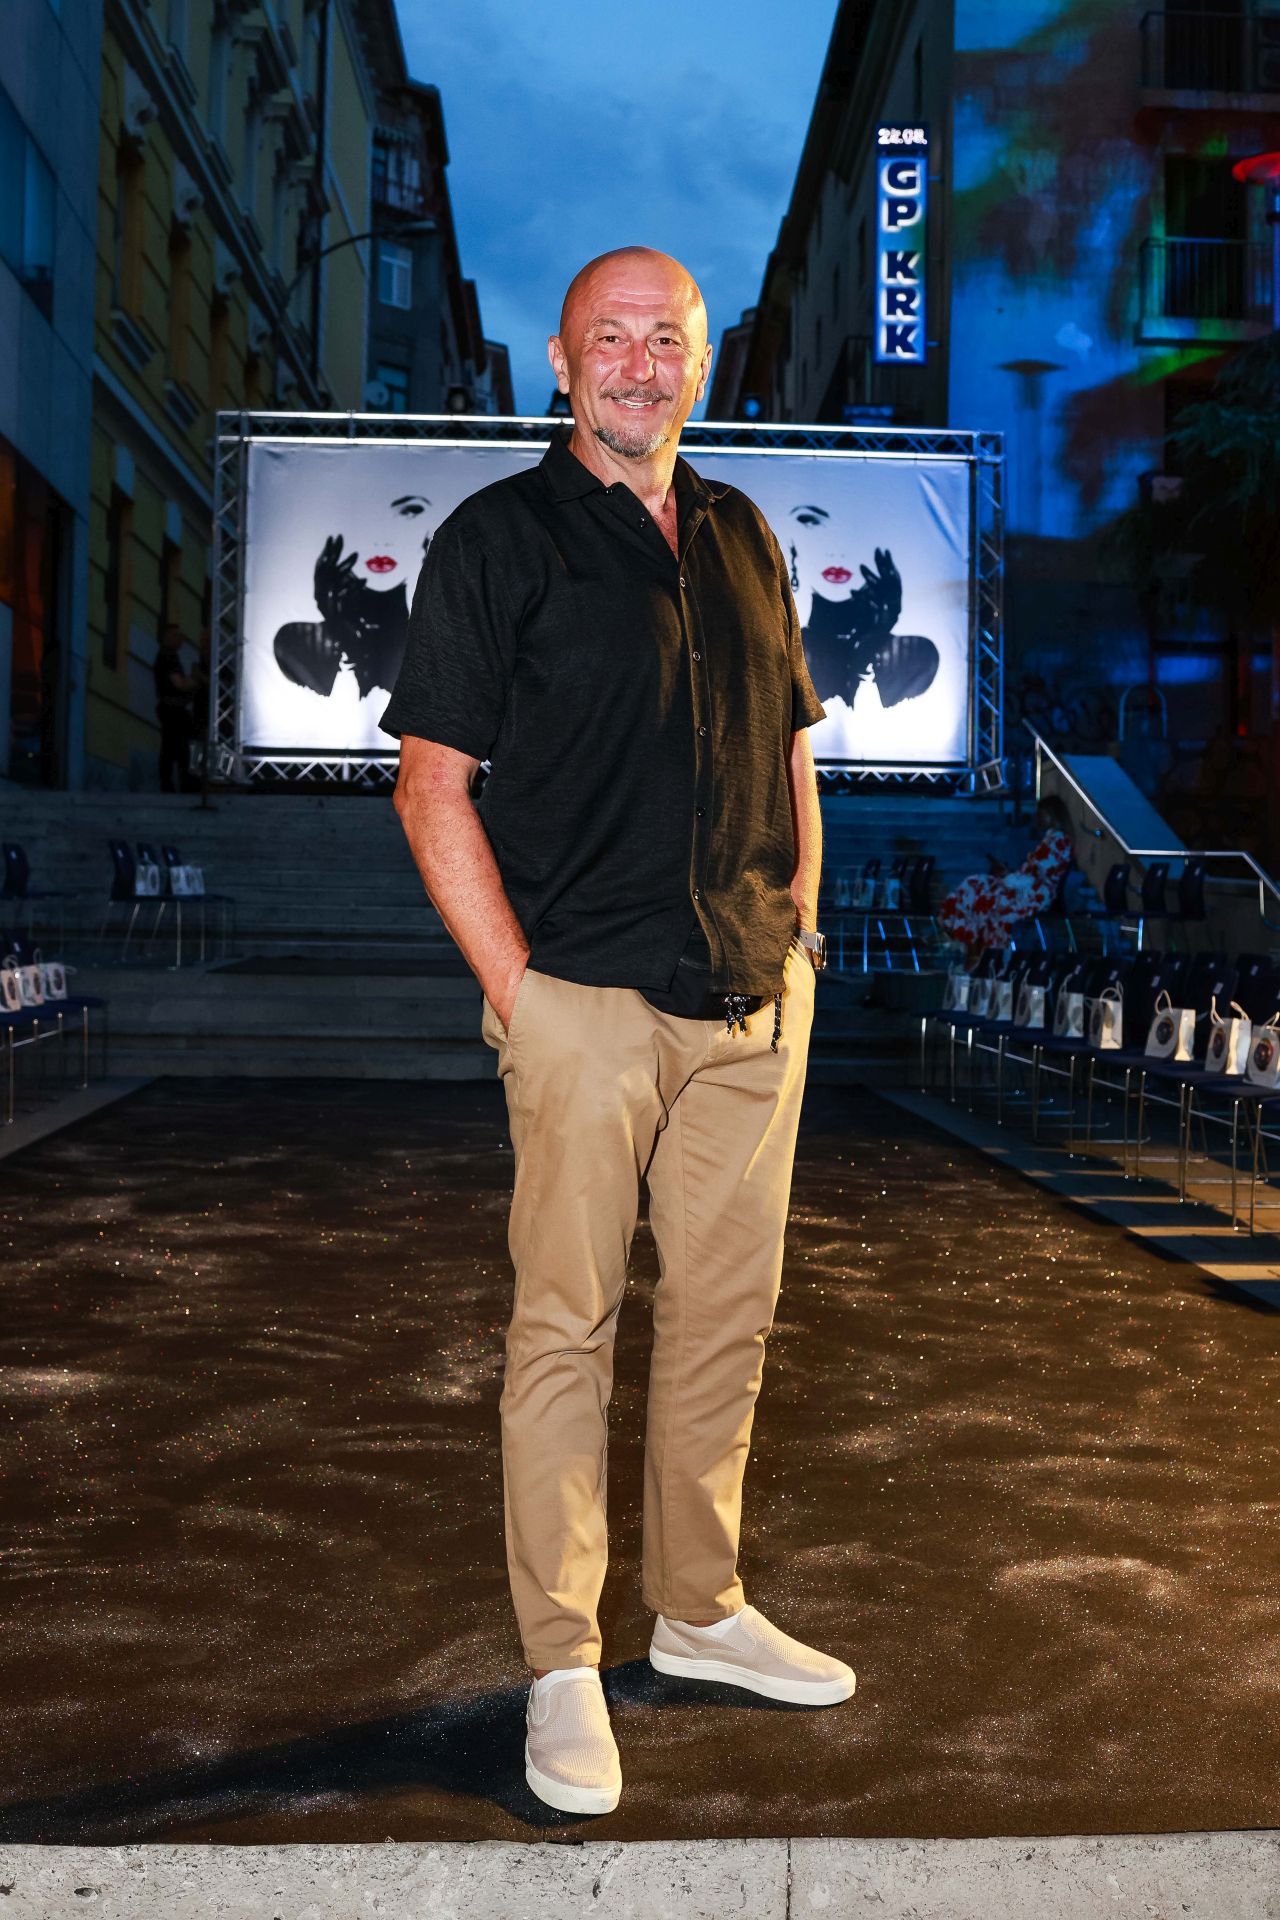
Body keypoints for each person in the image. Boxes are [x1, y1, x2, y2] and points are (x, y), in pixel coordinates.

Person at [382, 246, 854, 1818]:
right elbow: (431, 786)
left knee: (726, 1322)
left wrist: (802, 929)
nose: (641, 364)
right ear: (562, 361)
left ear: (699, 363)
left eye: (668, 340)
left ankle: (701, 1614)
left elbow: (790, 750)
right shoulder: (498, 539)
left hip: (749, 1000)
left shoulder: (740, 534)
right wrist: (519, 991)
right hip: (581, 998)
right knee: (565, 1333)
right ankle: (564, 1661)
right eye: (613, 339)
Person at [937, 794, 1076, 965]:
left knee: (980, 890)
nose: (1038, 817)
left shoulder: (1059, 841)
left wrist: (1009, 877)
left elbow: (1038, 874)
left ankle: (971, 944)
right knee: (975, 885)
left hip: (1033, 894)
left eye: (1042, 813)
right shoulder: (1052, 838)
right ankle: (966, 939)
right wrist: (1009, 874)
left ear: (1052, 814)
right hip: (1023, 887)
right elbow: (1032, 872)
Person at [153, 625, 198, 793]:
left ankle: (172, 783)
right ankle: (175, 784)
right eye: (176, 635)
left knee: (171, 746)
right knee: (176, 747)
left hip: (172, 708)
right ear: (166, 637)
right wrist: (197, 680)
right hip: (172, 709)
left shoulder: (168, 656)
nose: (180, 639)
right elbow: (179, 684)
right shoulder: (168, 657)